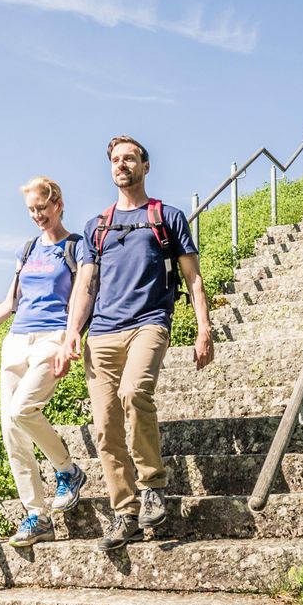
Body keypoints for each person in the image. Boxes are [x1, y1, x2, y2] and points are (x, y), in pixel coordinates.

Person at [52, 135, 214, 551]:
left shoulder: (168, 217)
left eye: (130, 159)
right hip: (102, 333)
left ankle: (152, 486)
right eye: (116, 160)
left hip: (149, 322)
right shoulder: (96, 226)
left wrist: (203, 328)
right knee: (105, 427)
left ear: (145, 166)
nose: (122, 165)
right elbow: (86, 284)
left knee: (134, 392)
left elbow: (192, 277)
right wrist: (72, 331)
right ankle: (124, 512)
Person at [0, 176, 91, 547]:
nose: (37, 215)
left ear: (57, 203)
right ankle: (37, 516)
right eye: (30, 210)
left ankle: (67, 470)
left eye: (42, 207)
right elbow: (9, 303)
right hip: (16, 340)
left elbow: (83, 297)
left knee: (22, 411)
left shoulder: (76, 247)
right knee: (11, 433)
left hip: (52, 337)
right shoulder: (26, 250)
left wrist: (72, 338)